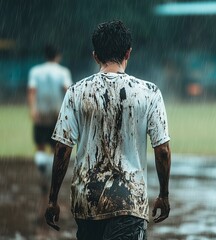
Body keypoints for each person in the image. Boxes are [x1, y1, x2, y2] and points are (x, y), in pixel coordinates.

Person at [44, 20, 171, 239]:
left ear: (95, 55)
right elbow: (163, 151)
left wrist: (52, 199)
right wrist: (164, 195)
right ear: (128, 53)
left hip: (87, 201)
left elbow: (62, 149)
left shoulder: (76, 92)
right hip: (130, 202)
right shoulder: (149, 92)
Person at [27, 44, 72, 221]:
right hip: (57, 117)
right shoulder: (63, 72)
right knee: (58, 153)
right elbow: (68, 92)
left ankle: (43, 178)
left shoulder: (35, 71)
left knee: (40, 148)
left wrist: (33, 109)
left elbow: (31, 91)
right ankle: (53, 187)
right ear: (58, 56)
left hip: (41, 116)